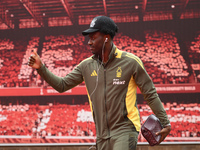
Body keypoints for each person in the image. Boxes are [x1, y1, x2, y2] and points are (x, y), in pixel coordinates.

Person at [28, 16, 171, 150]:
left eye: (93, 38)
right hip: (101, 137)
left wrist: (165, 122)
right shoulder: (86, 66)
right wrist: (41, 68)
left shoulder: (131, 62)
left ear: (106, 38)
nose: (89, 42)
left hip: (125, 130)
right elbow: (62, 85)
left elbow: (150, 94)